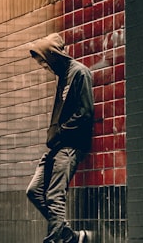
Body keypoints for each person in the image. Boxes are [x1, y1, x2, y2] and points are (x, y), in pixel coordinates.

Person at [26, 33, 94, 243]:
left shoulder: (79, 73)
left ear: (53, 57)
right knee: (34, 191)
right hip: (56, 146)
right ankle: (71, 237)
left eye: (45, 64)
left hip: (70, 147)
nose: (44, 68)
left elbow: (85, 112)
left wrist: (61, 132)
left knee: (55, 196)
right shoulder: (63, 77)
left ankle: (56, 240)